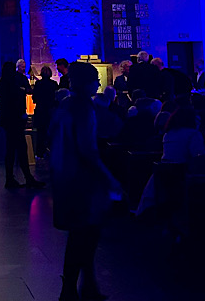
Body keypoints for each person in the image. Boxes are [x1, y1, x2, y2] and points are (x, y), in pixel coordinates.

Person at [49, 61, 121, 301]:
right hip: (82, 179)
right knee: (87, 235)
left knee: (79, 235)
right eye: (96, 80)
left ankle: (82, 286)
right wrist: (108, 177)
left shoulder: (64, 105)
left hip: (63, 176)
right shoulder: (85, 108)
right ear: (87, 83)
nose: (98, 85)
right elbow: (87, 149)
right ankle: (74, 288)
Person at [0, 61, 45, 189]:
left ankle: (12, 178)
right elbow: (16, 98)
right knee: (21, 149)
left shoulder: (2, 83)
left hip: (8, 120)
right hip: (15, 120)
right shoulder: (12, 84)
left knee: (11, 150)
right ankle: (26, 177)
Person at [32, 64, 58, 157]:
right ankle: (52, 151)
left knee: (40, 133)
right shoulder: (54, 84)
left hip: (40, 110)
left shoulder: (38, 84)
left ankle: (40, 152)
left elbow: (34, 98)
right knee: (51, 132)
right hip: (51, 111)